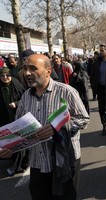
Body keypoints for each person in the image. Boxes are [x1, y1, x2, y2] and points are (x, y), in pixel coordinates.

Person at [0, 54, 89, 199]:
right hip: (37, 163)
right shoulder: (25, 96)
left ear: (48, 70)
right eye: (25, 68)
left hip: (64, 161)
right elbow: (18, 130)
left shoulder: (66, 91)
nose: (27, 73)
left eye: (33, 68)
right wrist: (8, 147)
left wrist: (57, 127)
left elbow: (83, 119)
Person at [0, 67, 28, 176]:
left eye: (7, 75)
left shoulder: (17, 85)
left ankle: (20, 164)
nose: (5, 78)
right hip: (4, 119)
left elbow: (25, 99)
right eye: (2, 76)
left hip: (17, 118)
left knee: (18, 140)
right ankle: (13, 159)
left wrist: (16, 104)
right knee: (8, 141)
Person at [90, 45, 106, 135]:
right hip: (100, 88)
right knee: (101, 109)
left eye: (102, 51)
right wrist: (94, 87)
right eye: (100, 51)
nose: (100, 52)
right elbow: (92, 75)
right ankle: (104, 126)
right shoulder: (97, 63)